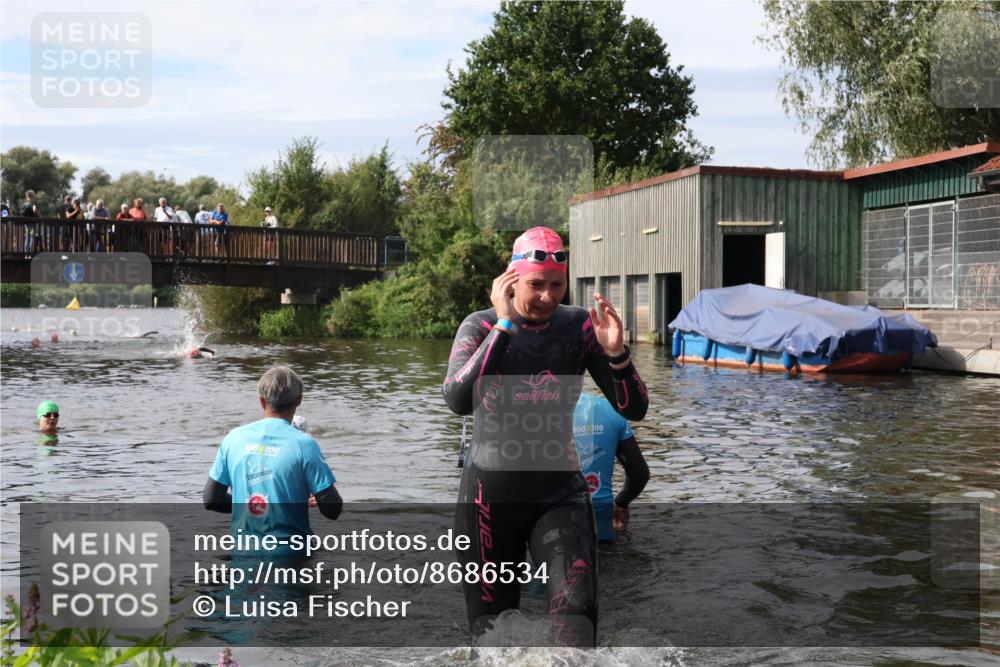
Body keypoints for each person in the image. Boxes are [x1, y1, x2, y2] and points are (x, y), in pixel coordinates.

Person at [442, 226, 648, 646]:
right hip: (488, 500)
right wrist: (503, 324)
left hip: (560, 496)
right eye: (536, 285)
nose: (548, 297)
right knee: (492, 637)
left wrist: (616, 354)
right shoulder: (479, 326)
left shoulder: (578, 327)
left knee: (578, 626)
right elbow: (458, 399)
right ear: (511, 279)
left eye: (557, 286)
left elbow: (635, 409)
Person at [203, 366, 342, 552]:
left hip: (243, 551)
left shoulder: (233, 438)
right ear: (299, 399)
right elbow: (332, 510)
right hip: (291, 554)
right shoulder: (305, 445)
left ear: (261, 401)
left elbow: (212, 499)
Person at [573, 392, 649, 543]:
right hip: (601, 516)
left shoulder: (529, 416)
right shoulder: (608, 408)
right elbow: (639, 475)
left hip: (553, 522)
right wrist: (621, 503)